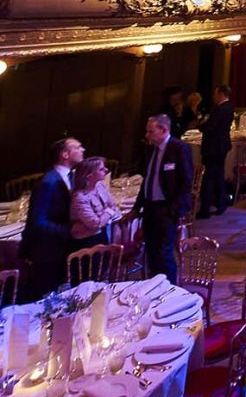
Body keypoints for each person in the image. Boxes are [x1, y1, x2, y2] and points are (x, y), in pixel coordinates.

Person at [19, 136, 84, 299]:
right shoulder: (49, 182)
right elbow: (38, 222)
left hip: (59, 249)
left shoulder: (70, 177)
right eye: (78, 147)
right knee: (43, 298)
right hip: (46, 252)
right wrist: (70, 230)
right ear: (65, 155)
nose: (83, 150)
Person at [131, 114, 193, 284]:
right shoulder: (151, 149)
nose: (147, 135)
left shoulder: (179, 148)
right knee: (151, 253)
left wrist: (174, 210)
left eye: (151, 132)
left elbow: (186, 181)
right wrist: (137, 208)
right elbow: (148, 180)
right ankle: (154, 288)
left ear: (164, 130)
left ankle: (169, 291)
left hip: (167, 209)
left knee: (164, 254)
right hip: (150, 208)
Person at [198, 84, 233, 218]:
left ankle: (205, 209)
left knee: (208, 177)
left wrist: (202, 125)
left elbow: (210, 128)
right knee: (218, 175)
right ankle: (220, 203)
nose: (213, 96)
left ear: (221, 94)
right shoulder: (229, 107)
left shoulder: (220, 109)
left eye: (215, 93)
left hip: (213, 147)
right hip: (222, 146)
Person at [70, 157, 121, 248]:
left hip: (102, 232)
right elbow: (95, 224)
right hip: (87, 239)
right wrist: (109, 212)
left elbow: (112, 203)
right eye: (101, 169)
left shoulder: (99, 185)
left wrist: (105, 215)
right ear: (89, 176)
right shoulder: (80, 198)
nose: (106, 170)